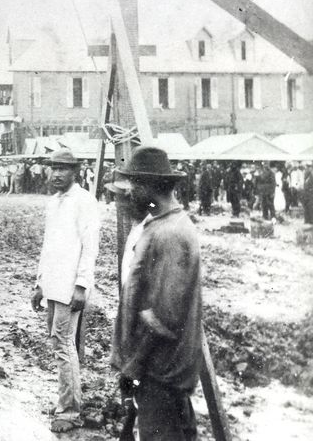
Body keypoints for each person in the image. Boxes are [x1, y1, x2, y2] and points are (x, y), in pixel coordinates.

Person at [111, 146, 202, 441]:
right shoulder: (162, 225)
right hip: (157, 369)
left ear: (150, 186)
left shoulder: (170, 234)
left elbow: (164, 318)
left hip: (159, 371)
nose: (130, 191)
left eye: (134, 184)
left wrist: (134, 365)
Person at [31, 148, 100, 433]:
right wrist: (39, 283)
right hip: (53, 285)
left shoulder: (84, 201)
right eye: (54, 168)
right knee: (58, 343)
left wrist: (82, 285)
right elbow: (48, 246)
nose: (57, 174)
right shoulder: (54, 202)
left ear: (75, 172)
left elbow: (90, 248)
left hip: (70, 287)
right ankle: (66, 400)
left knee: (64, 344)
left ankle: (70, 411)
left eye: (63, 169)